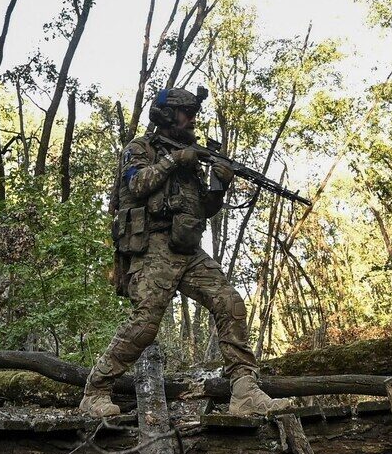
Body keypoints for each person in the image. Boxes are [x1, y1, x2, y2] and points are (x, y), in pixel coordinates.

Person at [78, 87, 292, 418]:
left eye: (193, 113)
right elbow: (136, 184)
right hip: (152, 247)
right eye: (185, 113)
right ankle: (96, 390)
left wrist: (220, 183)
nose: (192, 119)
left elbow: (202, 208)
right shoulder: (140, 149)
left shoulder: (191, 156)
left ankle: (244, 392)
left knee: (229, 301)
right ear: (166, 116)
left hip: (187, 248)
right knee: (146, 323)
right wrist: (175, 160)